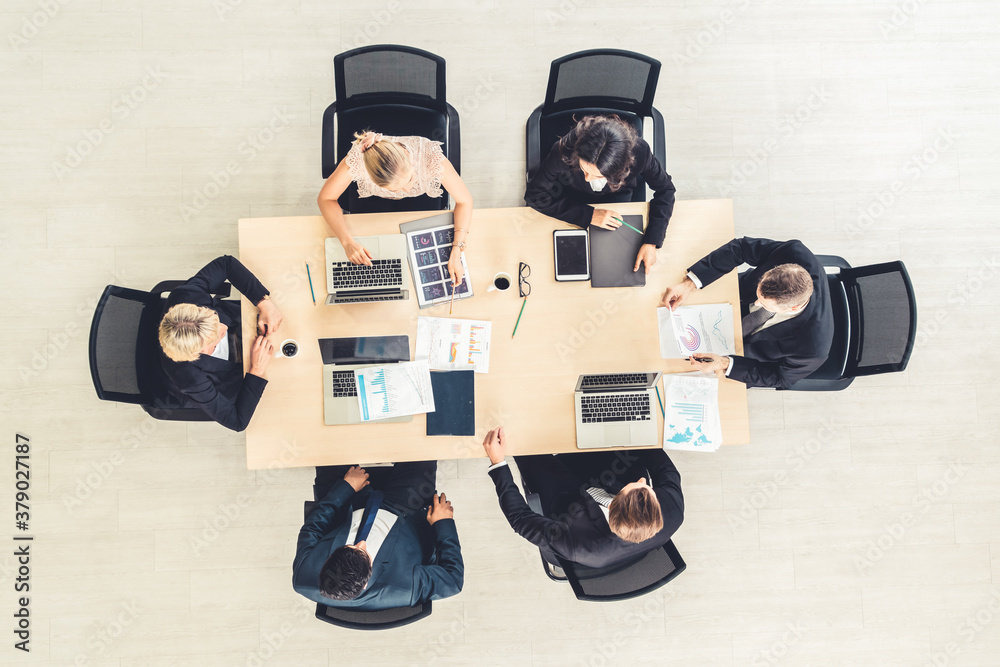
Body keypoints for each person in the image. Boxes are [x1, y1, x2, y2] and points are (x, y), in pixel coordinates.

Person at [481, 426, 683, 569]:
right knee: (597, 427)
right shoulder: (671, 510)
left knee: (520, 439)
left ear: (613, 506)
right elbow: (663, 467)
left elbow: (519, 519)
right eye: (646, 487)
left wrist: (498, 463)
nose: (642, 480)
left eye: (637, 486)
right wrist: (636, 425)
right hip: (611, 476)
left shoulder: (578, 546)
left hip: (566, 503)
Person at [659, 236, 835, 389]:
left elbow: (780, 378)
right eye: (759, 294)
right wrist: (690, 284)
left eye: (765, 304)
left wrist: (724, 363)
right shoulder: (794, 253)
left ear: (793, 308)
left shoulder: (814, 348)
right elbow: (741, 248)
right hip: (728, 299)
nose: (756, 303)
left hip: (741, 354)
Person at [292, 462, 464, 609]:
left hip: (346, 506)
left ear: (325, 564)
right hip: (404, 510)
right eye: (364, 553)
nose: (361, 543)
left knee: (329, 448)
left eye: (349, 547)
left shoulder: (305, 577)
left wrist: (345, 488)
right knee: (421, 450)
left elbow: (312, 529)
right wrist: (443, 523)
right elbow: (454, 580)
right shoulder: (405, 586)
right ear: (366, 582)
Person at [524, 114, 676, 275]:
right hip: (573, 198)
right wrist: (588, 215)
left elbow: (666, 190)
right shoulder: (565, 149)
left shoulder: (640, 153)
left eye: (597, 176)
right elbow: (534, 195)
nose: (588, 178)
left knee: (616, 261)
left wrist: (652, 241)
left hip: (617, 196)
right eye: (584, 169)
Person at [317, 131, 474, 287]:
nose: (406, 190)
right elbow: (325, 198)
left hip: (420, 206)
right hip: (376, 209)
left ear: (409, 159)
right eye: (395, 189)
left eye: (410, 178)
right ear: (374, 179)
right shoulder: (360, 160)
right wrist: (347, 242)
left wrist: (457, 250)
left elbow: (465, 201)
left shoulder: (429, 156)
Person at [157, 255, 281, 432]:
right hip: (237, 370)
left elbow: (227, 263)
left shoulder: (186, 296)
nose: (223, 328)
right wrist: (257, 370)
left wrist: (264, 302)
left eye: (215, 321)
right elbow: (237, 422)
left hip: (248, 323)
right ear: (195, 355)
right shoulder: (189, 377)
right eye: (215, 339)